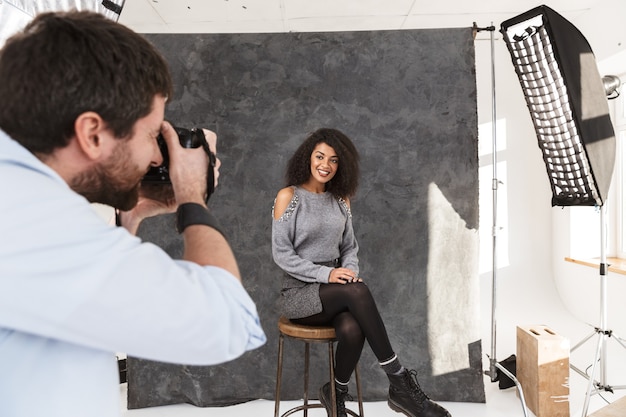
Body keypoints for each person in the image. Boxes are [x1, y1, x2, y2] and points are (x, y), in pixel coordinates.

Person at [0, 10, 265, 417]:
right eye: (151, 133)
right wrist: (193, 196)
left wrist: (130, 219)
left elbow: (81, 302)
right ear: (92, 134)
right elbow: (226, 322)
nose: (158, 155)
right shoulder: (35, 224)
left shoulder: (25, 203)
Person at [271, 128, 451, 417]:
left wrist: (348, 272)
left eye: (333, 160)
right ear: (308, 158)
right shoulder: (289, 197)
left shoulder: (341, 200)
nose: (325, 165)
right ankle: (399, 382)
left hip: (336, 291)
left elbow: (349, 248)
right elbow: (282, 254)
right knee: (356, 291)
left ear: (341, 166)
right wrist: (327, 275)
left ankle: (335, 393)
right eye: (319, 156)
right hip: (299, 294)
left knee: (353, 329)